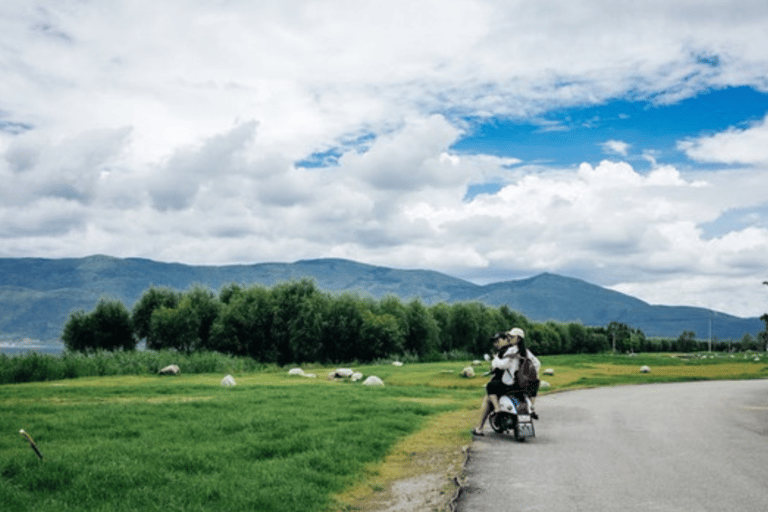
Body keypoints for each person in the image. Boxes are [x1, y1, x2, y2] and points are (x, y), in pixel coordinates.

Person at [472, 328, 541, 435]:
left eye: (511, 337)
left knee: (490, 387)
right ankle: (532, 407)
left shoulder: (511, 350)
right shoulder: (526, 351)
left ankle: (496, 410)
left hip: (511, 385)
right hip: (523, 387)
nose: (509, 339)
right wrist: (528, 375)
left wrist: (495, 359)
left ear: (518, 339)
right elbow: (537, 364)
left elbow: (502, 365)